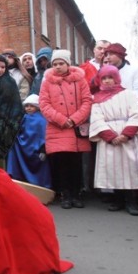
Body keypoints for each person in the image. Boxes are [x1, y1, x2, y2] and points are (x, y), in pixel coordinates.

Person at [89, 65, 138, 215]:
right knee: (114, 169)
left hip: (128, 138)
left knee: (130, 169)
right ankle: (117, 199)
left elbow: (137, 114)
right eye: (104, 78)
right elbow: (97, 119)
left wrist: (126, 134)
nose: (107, 81)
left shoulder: (128, 95)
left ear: (116, 78)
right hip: (110, 139)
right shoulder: (97, 99)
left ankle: (132, 202)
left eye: (110, 77)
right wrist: (110, 136)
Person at [39, 49, 92, 209]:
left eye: (61, 63)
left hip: (75, 129)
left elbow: (87, 101)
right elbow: (44, 104)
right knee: (61, 163)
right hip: (58, 129)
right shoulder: (47, 82)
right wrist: (62, 120)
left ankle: (76, 194)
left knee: (75, 163)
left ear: (68, 64)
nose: (58, 66)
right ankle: (65, 195)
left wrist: (75, 119)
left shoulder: (80, 80)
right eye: (55, 64)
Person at [6, 94, 51, 188]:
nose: (29, 108)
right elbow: (18, 131)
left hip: (37, 149)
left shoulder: (42, 120)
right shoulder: (24, 118)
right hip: (24, 148)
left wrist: (44, 149)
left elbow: (44, 135)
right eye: (27, 106)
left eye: (31, 106)